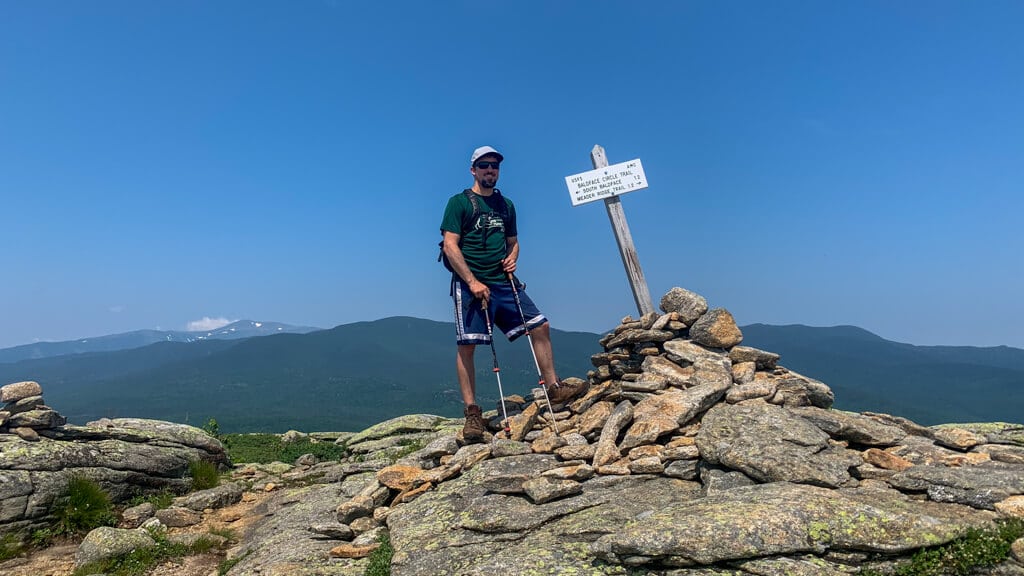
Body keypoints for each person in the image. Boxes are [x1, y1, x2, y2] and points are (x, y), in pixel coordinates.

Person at [439, 145, 587, 442]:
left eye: (494, 165)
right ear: (473, 170)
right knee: (468, 345)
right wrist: (471, 281)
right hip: (470, 283)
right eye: (484, 165)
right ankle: (472, 413)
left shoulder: (506, 205)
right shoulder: (459, 203)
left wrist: (513, 256)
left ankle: (553, 388)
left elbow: (513, 241)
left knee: (540, 325)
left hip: (503, 280)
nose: (490, 170)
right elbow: (449, 245)